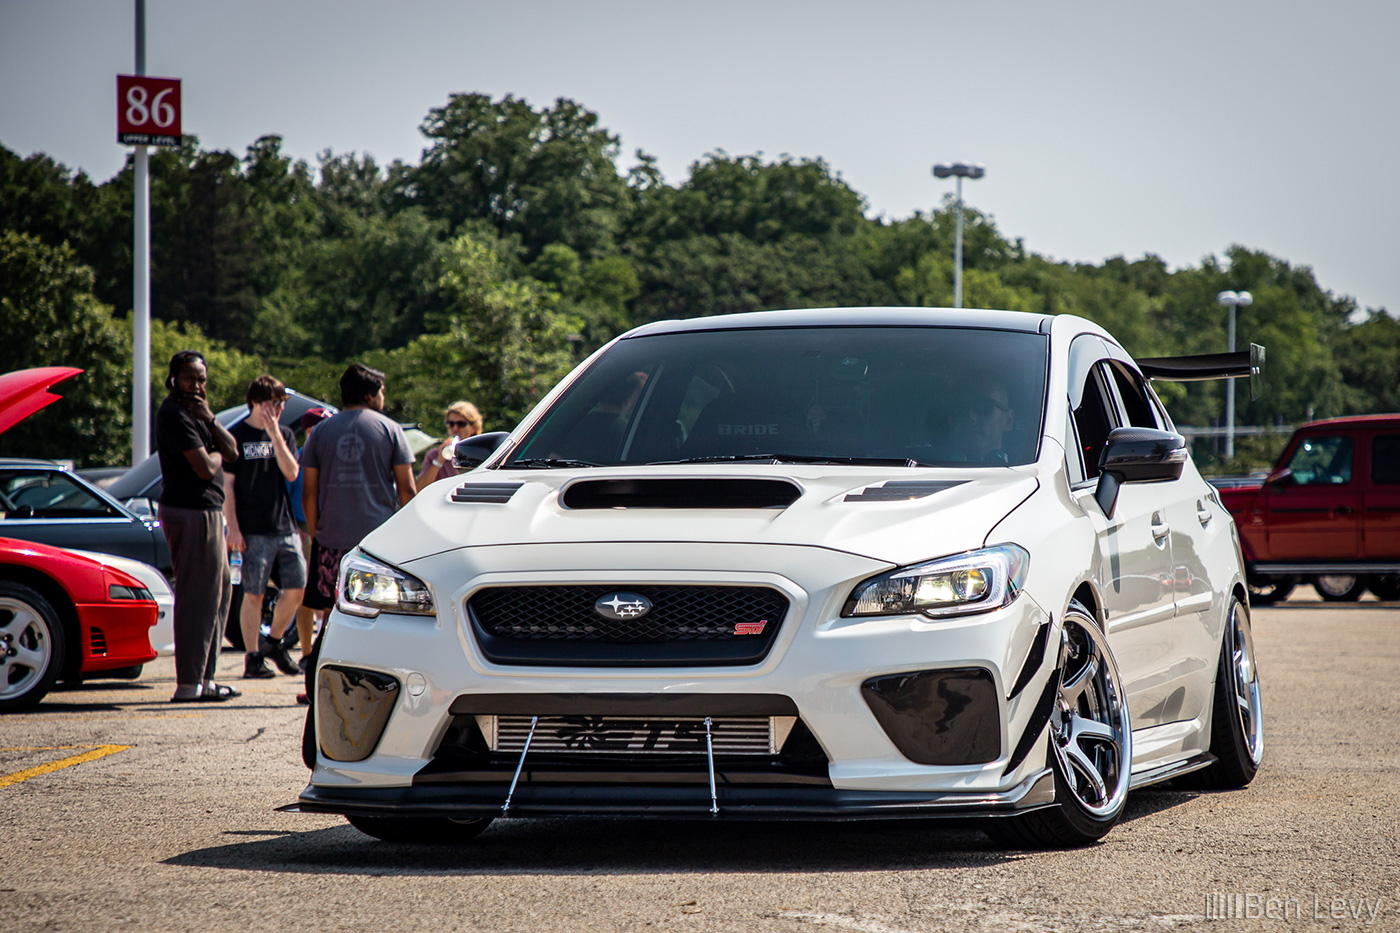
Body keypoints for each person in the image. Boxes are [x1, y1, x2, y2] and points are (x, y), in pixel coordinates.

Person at [300, 364, 416, 632]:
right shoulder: (391, 429)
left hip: (331, 541)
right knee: (382, 613)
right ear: (369, 396)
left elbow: (309, 492)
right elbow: (407, 489)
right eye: (382, 392)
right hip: (379, 543)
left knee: (333, 612)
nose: (383, 398)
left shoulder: (319, 432)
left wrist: (318, 533)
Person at [154, 350, 241, 703]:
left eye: (202, 379)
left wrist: (211, 420)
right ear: (174, 378)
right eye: (190, 378)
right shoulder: (173, 414)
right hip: (190, 513)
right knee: (198, 599)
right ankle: (189, 683)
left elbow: (233, 451)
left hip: (207, 511)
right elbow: (207, 467)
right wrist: (216, 454)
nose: (197, 385)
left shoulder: (197, 414)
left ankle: (206, 679)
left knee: (219, 595)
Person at [223, 375, 305, 680]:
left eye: (282, 402)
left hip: (284, 526)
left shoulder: (283, 433)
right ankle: (252, 656)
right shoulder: (235, 435)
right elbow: (227, 486)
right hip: (251, 529)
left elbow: (292, 473)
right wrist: (233, 528)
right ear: (256, 403)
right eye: (274, 402)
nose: (280, 408)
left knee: (296, 588)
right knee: (253, 594)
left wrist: (275, 434)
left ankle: (273, 643)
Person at [289, 406, 332, 679]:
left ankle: (324, 649)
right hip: (304, 527)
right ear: (309, 430)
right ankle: (306, 652)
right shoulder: (300, 459)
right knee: (306, 592)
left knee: (332, 593)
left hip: (330, 528)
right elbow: (292, 494)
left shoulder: (334, 457)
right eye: (320, 427)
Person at [945, 376, 1016, 463]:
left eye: (983, 407)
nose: (971, 417)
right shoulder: (929, 469)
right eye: (961, 408)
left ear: (1008, 420)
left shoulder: (1026, 471)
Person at [416, 400, 483, 485]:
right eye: (451, 424)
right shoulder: (434, 455)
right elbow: (420, 490)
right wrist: (439, 461)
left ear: (474, 427)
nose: (455, 429)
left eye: (460, 424)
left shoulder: (483, 454)